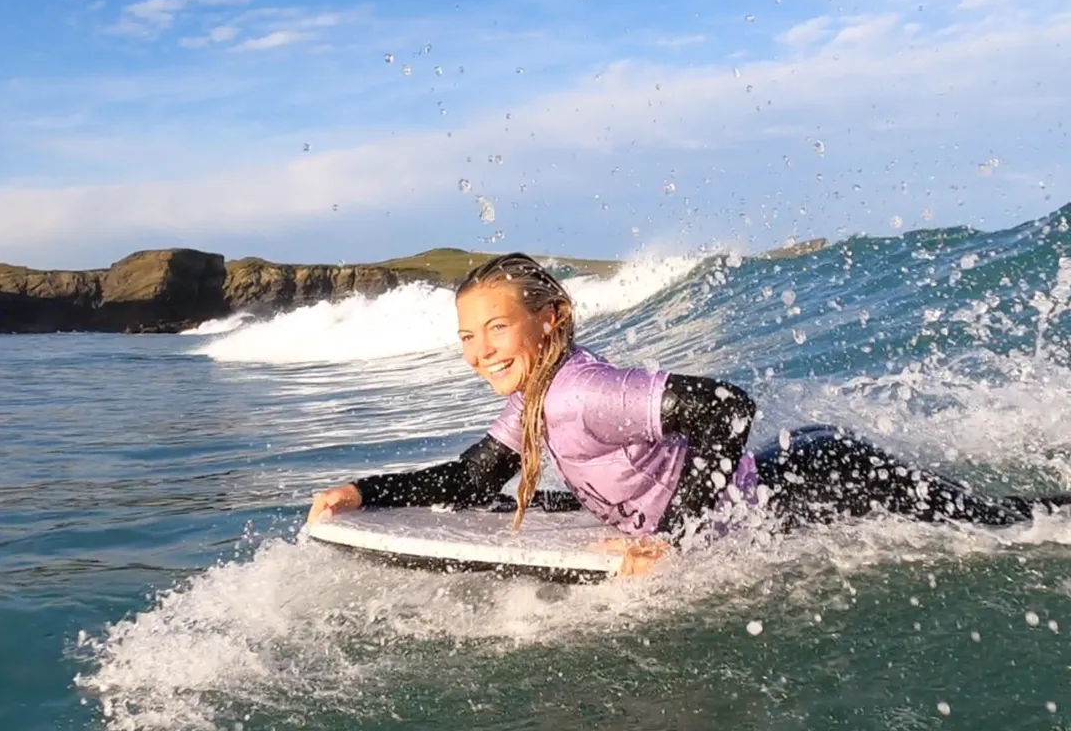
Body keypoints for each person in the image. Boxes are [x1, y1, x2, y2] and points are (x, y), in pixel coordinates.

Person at [307, 252, 1069, 555]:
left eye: (495, 328)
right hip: (789, 474)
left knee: (1007, 525)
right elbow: (472, 479)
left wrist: (675, 534)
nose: (480, 352)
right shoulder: (535, 402)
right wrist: (366, 491)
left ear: (548, 323)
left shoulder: (581, 391)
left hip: (818, 476)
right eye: (467, 337)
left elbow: (728, 409)